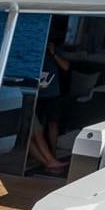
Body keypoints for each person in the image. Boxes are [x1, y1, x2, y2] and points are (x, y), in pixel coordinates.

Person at [29, 38, 71, 174]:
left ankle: (51, 155)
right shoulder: (32, 51)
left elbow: (66, 67)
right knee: (36, 129)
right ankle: (48, 159)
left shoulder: (55, 51)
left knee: (51, 125)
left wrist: (53, 54)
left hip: (52, 94)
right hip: (35, 95)